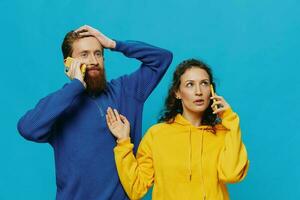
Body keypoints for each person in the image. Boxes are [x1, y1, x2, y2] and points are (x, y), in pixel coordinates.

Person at [17, 25, 173, 200]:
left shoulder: (126, 91)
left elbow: (162, 59)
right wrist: (75, 86)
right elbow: (27, 128)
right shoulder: (60, 105)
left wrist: (114, 44)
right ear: (68, 63)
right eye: (84, 54)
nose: (93, 60)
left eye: (98, 53)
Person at [106, 59, 249, 200]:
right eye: (190, 85)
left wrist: (231, 120)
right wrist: (123, 141)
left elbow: (231, 174)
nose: (198, 91)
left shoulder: (223, 133)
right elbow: (136, 188)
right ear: (177, 93)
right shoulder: (157, 135)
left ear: (211, 90)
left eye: (204, 83)